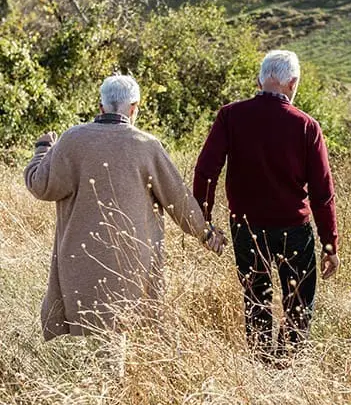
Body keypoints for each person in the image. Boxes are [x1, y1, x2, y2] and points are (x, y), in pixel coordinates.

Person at [24, 75, 224, 341]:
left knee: (81, 347)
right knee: (131, 339)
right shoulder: (147, 145)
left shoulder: (73, 139)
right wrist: (206, 234)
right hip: (133, 267)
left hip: (79, 267)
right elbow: (179, 201)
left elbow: (40, 186)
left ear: (101, 107)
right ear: (134, 108)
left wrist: (43, 149)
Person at [193, 50, 339, 358]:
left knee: (255, 298)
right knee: (298, 303)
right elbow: (322, 192)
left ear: (260, 80)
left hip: (246, 227)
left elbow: (206, 171)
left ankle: (261, 363)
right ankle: (286, 368)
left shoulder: (230, 116)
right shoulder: (306, 126)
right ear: (292, 83)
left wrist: (203, 221)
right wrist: (329, 245)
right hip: (293, 229)